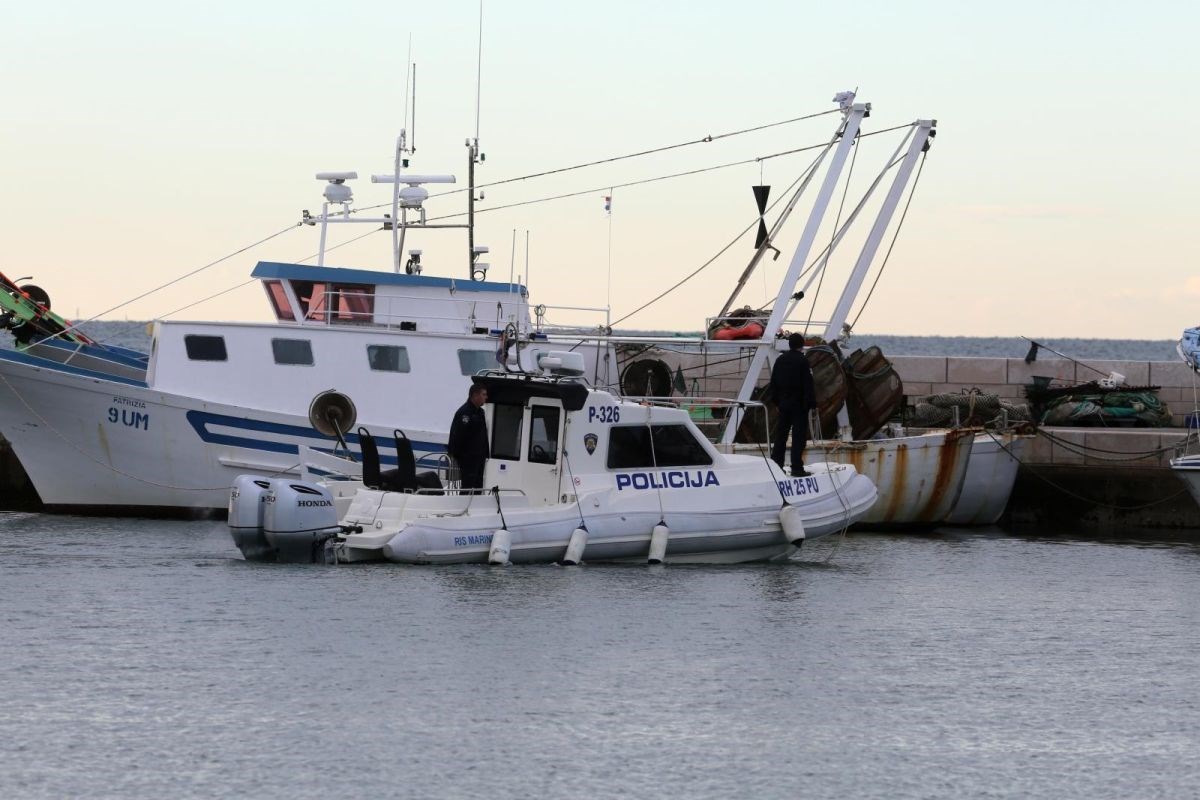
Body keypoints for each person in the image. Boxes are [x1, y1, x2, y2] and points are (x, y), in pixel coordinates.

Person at [770, 333, 817, 476]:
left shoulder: (780, 360)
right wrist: (812, 404)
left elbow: (774, 383)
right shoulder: (803, 361)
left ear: (789, 344)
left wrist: (777, 402)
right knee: (798, 437)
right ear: (801, 345)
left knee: (781, 436)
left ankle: (776, 467)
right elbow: (808, 385)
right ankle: (796, 467)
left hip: (784, 404)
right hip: (799, 406)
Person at [448, 383, 489, 490]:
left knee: (477, 486)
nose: (486, 397)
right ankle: (464, 505)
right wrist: (459, 455)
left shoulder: (480, 412)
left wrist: (485, 453)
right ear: (475, 395)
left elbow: (483, 435)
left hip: (479, 456)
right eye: (483, 394)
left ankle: (474, 505)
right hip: (468, 457)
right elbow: (458, 435)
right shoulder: (464, 413)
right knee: (468, 486)